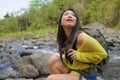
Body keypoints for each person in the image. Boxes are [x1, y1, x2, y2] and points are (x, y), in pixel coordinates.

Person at [46, 8, 107, 80]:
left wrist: (79, 55)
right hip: (75, 70)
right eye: (66, 14)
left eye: (73, 15)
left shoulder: (81, 37)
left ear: (76, 22)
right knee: (53, 60)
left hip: (87, 76)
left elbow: (103, 54)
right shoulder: (64, 38)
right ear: (61, 22)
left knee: (51, 78)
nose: (69, 16)